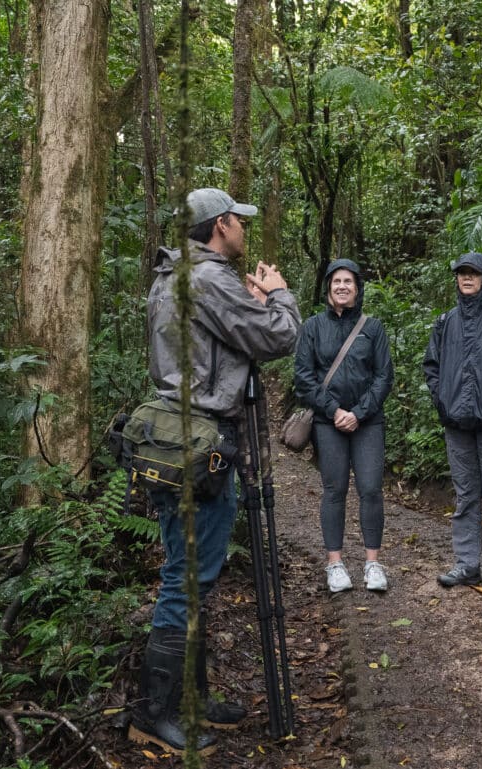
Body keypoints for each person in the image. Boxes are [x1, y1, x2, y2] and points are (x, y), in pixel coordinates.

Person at [131, 188, 301, 754]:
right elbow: (278, 336)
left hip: (178, 439)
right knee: (187, 578)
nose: (245, 230)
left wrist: (245, 300)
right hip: (203, 443)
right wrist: (278, 296)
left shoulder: (172, 275)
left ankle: (194, 701)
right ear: (221, 225)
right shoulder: (207, 280)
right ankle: (155, 712)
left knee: (193, 573)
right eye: (239, 222)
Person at [294, 258, 394, 593]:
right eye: (336, 281)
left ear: (357, 287)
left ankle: (372, 563)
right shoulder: (312, 327)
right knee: (334, 490)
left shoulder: (373, 327)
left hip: (367, 422)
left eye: (348, 281)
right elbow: (304, 379)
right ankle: (335, 564)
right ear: (328, 287)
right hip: (327, 422)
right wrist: (335, 411)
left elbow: (383, 378)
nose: (342, 287)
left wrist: (359, 412)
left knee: (370, 489)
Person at [423, 252, 482, 593]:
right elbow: (431, 368)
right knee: (465, 497)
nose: (467, 278)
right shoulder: (445, 322)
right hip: (456, 424)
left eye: (473, 274)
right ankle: (466, 564)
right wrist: (443, 401)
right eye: (462, 273)